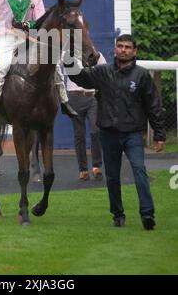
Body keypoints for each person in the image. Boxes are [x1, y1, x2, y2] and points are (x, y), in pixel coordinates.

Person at [65, 34, 166, 230]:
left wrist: (160, 134)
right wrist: (68, 57)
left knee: (139, 171)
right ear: (115, 49)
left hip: (133, 134)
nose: (124, 50)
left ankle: (147, 214)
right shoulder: (102, 72)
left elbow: (154, 105)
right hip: (108, 133)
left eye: (128, 47)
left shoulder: (142, 75)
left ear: (134, 51)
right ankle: (117, 214)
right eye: (120, 46)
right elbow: (80, 77)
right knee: (112, 177)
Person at [67, 52, 106, 181]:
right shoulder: (68, 54)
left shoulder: (97, 55)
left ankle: (96, 166)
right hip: (74, 96)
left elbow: (105, 70)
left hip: (91, 97)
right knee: (79, 135)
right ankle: (83, 170)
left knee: (96, 130)